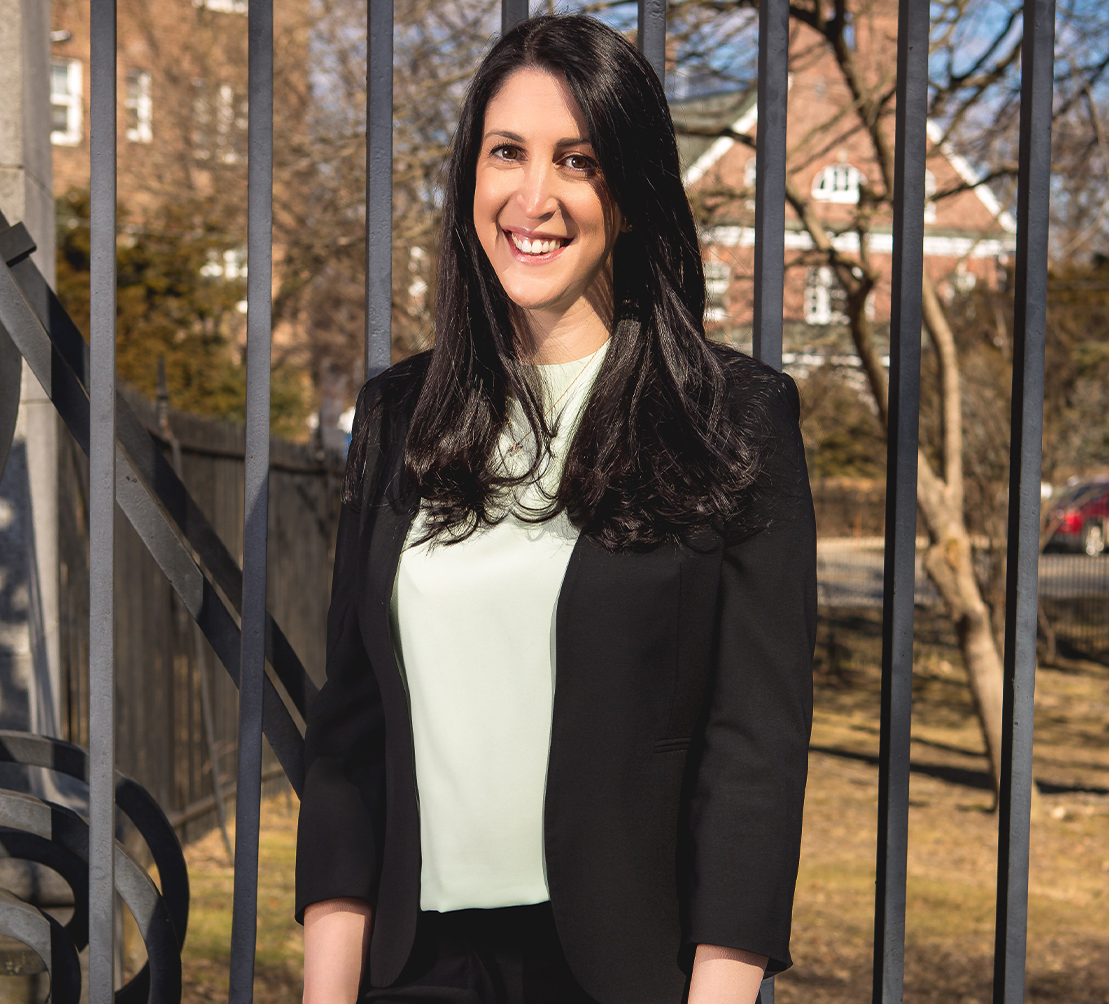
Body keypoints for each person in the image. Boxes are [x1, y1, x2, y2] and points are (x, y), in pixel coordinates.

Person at [295, 14, 816, 1004]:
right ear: (469, 178)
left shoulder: (735, 419)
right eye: (506, 154)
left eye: (576, 160)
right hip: (414, 968)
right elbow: (350, 737)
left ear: (628, 192)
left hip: (622, 974)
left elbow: (752, 748)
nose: (532, 197)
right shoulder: (397, 413)